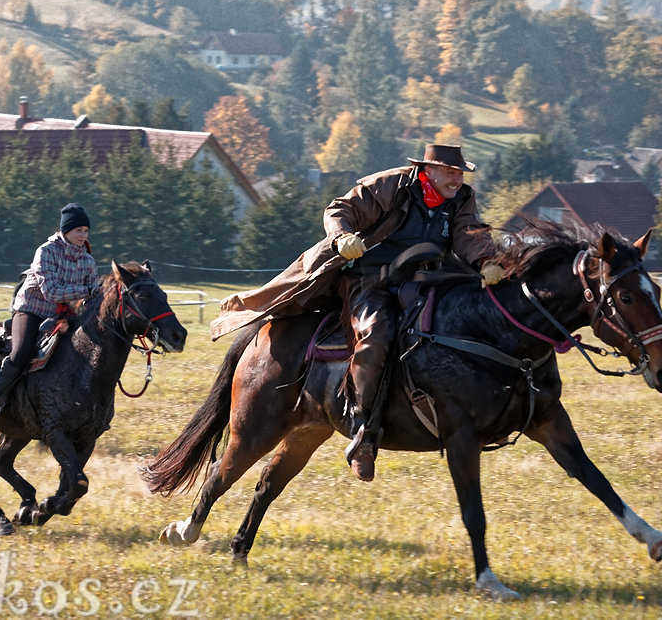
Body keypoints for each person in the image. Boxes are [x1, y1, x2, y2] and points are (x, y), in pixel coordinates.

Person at [210, 144, 504, 482]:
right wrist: (343, 238)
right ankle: (362, 430)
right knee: (378, 332)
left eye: (460, 173)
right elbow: (339, 209)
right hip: (369, 282)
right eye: (450, 172)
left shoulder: (461, 198)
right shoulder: (391, 185)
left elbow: (469, 233)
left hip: (423, 282)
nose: (457, 178)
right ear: (429, 170)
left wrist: (487, 260)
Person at [0, 203, 100, 429]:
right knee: (20, 353)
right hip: (32, 311)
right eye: (78, 230)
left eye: (86, 231)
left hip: (65, 314)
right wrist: (88, 292)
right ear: (65, 231)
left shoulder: (88, 260)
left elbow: (94, 295)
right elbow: (52, 292)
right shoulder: (46, 251)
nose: (83, 235)